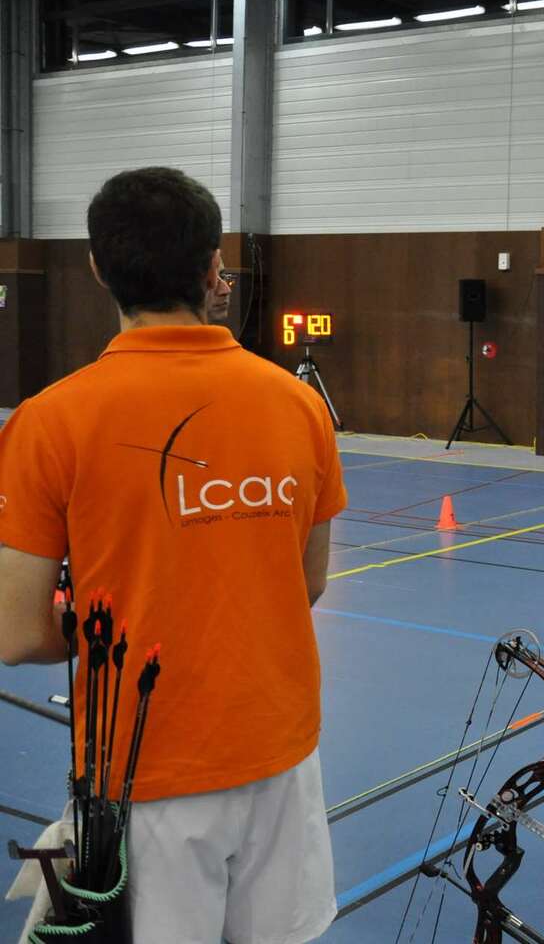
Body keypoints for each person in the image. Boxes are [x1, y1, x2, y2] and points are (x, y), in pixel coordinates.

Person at [0, 167, 346, 943]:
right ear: (213, 264)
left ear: (98, 267)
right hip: (282, 757)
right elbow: (309, 581)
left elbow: (18, 633)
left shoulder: (49, 421)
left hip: (145, 776)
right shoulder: (300, 405)